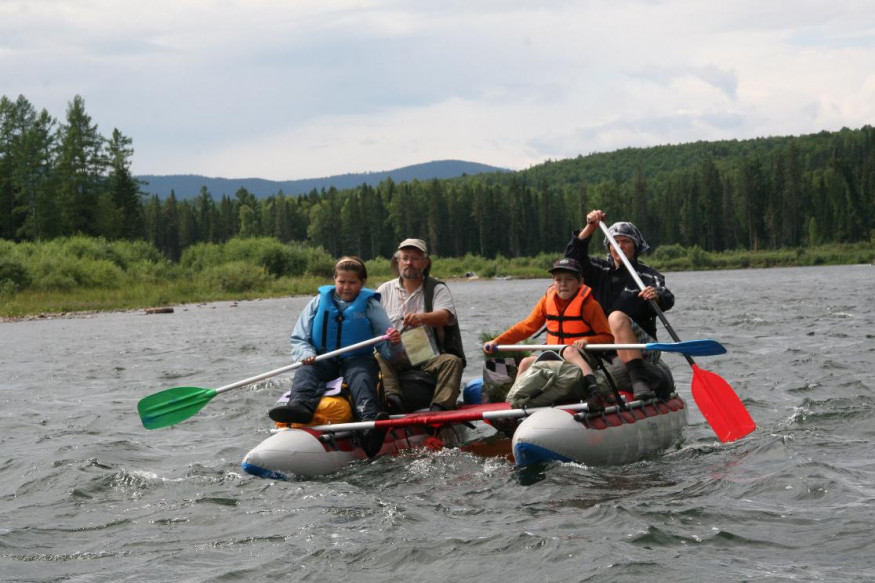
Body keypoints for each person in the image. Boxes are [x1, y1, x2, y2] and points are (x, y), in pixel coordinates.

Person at [268, 256, 402, 455]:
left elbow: (385, 344)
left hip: (357, 359)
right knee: (306, 371)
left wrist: (394, 343)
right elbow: (299, 337)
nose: (346, 287)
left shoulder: (370, 305)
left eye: (352, 282)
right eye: (341, 282)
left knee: (362, 377)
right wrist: (306, 354)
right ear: (334, 280)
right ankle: (300, 407)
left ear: (361, 283)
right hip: (323, 358)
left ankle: (369, 420)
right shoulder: (318, 302)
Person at [564, 209, 675, 400]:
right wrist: (590, 227)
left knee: (616, 317)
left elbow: (667, 298)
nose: (620, 246)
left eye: (626, 241)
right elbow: (572, 259)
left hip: (644, 346)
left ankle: (640, 380)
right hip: (604, 344)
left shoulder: (648, 275)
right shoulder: (598, 270)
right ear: (609, 247)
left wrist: (656, 296)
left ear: (635, 246)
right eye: (615, 242)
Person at [482, 257, 616, 411]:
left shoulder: (590, 305)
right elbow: (527, 327)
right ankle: (514, 403)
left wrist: (587, 340)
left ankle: (594, 391)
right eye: (558, 279)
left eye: (569, 279)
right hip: (555, 356)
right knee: (525, 362)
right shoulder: (547, 300)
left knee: (569, 350)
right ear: (553, 282)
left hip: (583, 357)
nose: (563, 284)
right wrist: (497, 341)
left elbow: (608, 338)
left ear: (580, 282)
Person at [376, 239, 465, 413]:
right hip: (396, 353)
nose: (409, 262)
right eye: (405, 258)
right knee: (378, 354)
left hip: (428, 354)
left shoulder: (437, 288)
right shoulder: (383, 291)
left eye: (415, 258)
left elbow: (445, 316)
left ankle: (440, 407)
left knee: (453, 362)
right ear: (398, 262)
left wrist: (421, 318)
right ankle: (393, 399)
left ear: (425, 263)